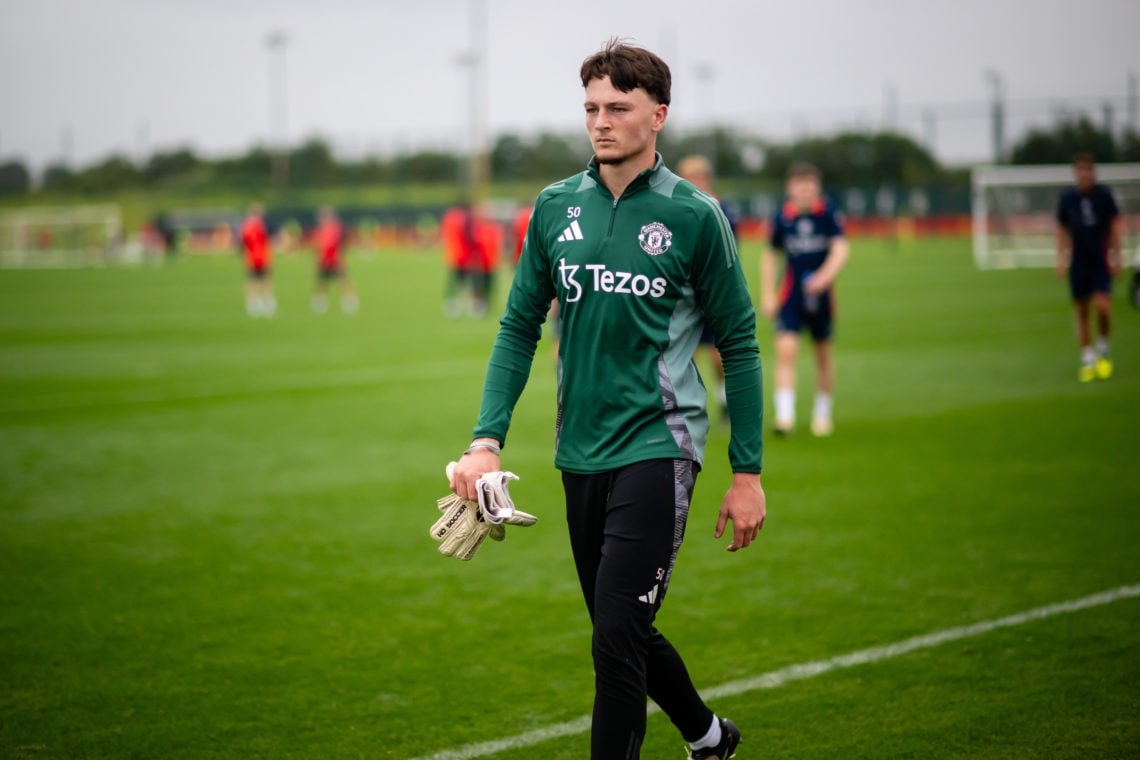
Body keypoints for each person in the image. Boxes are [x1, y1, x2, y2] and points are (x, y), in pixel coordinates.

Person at [450, 40, 765, 759]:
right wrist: (484, 438)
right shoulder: (556, 206)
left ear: (658, 115)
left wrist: (746, 473)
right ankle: (710, 736)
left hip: (662, 445)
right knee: (620, 626)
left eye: (618, 108)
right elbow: (518, 325)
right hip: (580, 450)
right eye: (591, 107)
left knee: (616, 639)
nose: (601, 122)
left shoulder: (695, 216)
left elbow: (739, 346)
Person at [760, 163, 849, 436]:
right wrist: (767, 294)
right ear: (791, 189)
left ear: (817, 188)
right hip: (791, 296)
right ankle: (784, 417)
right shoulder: (782, 217)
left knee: (823, 355)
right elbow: (771, 255)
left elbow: (841, 249)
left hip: (822, 297)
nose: (806, 191)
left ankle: (822, 415)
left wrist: (824, 277)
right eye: (800, 186)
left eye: (810, 187)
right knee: (786, 352)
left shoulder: (829, 214)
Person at [678, 155, 740, 421]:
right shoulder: (676, 208)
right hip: (684, 294)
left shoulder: (720, 209)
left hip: (713, 294)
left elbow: (730, 253)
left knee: (717, 355)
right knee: (685, 353)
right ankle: (688, 406)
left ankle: (724, 398)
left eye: (699, 177)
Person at [1055, 153, 1122, 382]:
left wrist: (1117, 257)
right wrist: (1060, 260)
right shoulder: (1067, 199)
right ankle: (1087, 359)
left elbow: (1113, 227)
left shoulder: (1104, 196)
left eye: (1088, 170)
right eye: (1080, 171)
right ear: (1076, 174)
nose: (1084, 175)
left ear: (1093, 172)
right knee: (1082, 311)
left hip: (1100, 261)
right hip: (1079, 264)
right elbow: (1062, 230)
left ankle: (1102, 348)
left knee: (1102, 307)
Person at [311, 207, 358, 315]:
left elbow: (342, 246)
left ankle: (350, 301)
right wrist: (316, 261)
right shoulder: (319, 230)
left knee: (344, 281)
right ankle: (321, 303)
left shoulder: (337, 229)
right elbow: (317, 247)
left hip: (336, 260)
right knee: (322, 283)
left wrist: (342, 259)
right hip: (324, 261)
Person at [240, 203, 276, 318]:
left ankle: (266, 301)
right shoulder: (249, 226)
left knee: (265, 280)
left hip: (262, 257)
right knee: (253, 281)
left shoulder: (261, 225)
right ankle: (253, 302)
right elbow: (244, 242)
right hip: (253, 257)